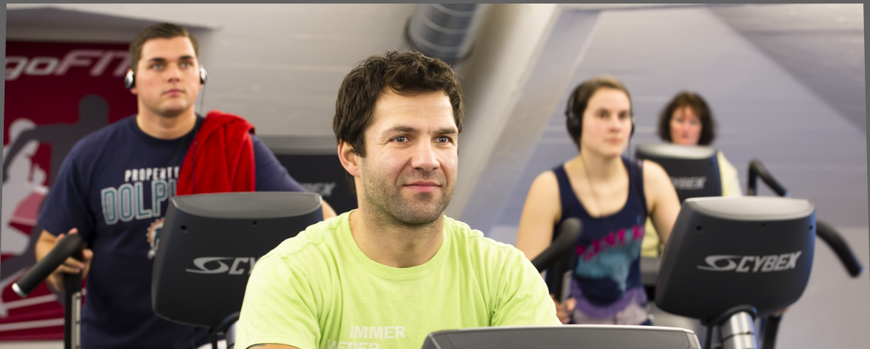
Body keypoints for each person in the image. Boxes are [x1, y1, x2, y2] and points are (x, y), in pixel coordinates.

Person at [35, 23, 336, 349]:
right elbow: (48, 243)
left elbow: (320, 218)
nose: (174, 74)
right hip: (112, 339)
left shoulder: (234, 145)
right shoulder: (92, 154)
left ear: (200, 76)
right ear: (132, 80)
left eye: (185, 63)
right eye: (157, 65)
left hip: (207, 338)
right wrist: (60, 265)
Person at [235, 50, 560, 349]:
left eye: (443, 139)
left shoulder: (507, 274)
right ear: (350, 156)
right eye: (402, 138)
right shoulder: (291, 274)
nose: (428, 160)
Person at [515, 76, 681, 325]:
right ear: (576, 123)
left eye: (623, 116)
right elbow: (523, 284)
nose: (615, 125)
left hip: (634, 332)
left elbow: (689, 259)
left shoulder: (651, 179)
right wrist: (544, 302)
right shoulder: (549, 187)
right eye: (603, 115)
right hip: (571, 335)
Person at [641, 91, 742, 257]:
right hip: (649, 256)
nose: (685, 129)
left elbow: (736, 216)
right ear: (668, 123)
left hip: (706, 255)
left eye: (693, 122)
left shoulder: (720, 166)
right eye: (679, 120)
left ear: (703, 127)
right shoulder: (650, 165)